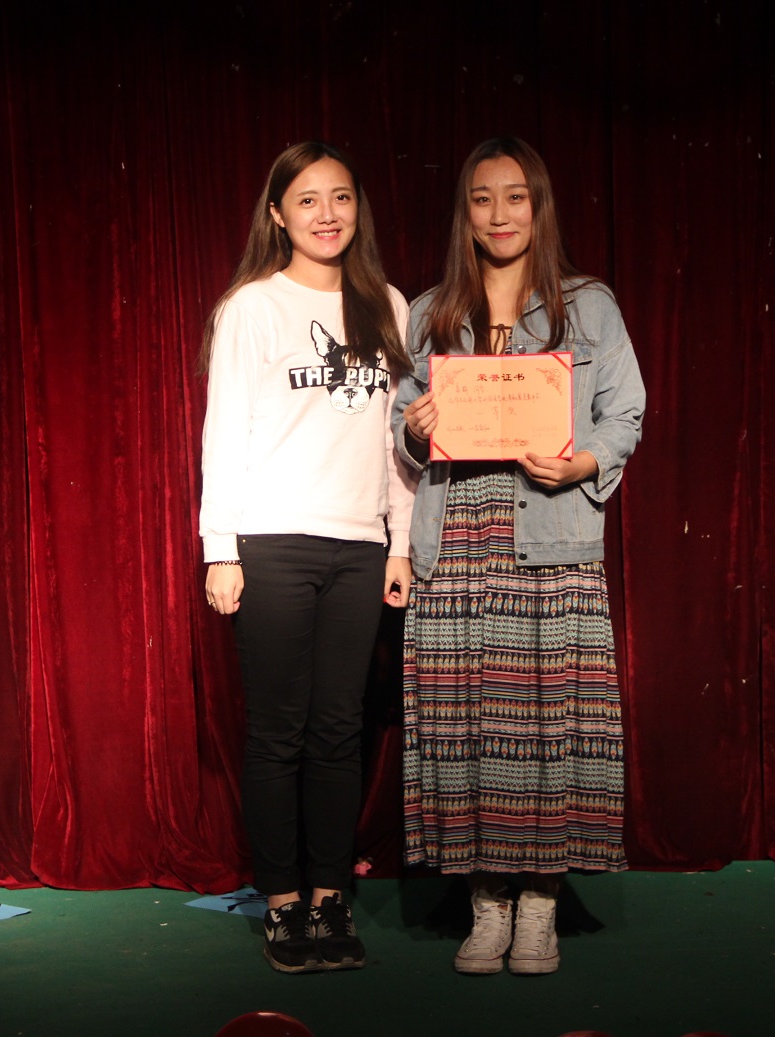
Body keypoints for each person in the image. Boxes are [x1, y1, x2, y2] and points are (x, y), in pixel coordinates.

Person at [392, 137, 645, 975]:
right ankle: (486, 904)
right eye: (482, 198)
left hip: (551, 535)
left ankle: (539, 905)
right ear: (464, 213)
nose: (499, 214)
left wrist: (584, 462)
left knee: (547, 726)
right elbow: (401, 427)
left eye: (515, 197)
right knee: (469, 723)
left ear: (539, 206)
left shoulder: (589, 305)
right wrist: (415, 429)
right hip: (456, 535)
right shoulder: (430, 311)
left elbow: (625, 413)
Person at [198, 141, 414, 974]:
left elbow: (394, 440)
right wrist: (222, 550)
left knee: (338, 731)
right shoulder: (252, 307)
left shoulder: (386, 304)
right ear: (278, 214)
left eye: (342, 197)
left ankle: (331, 898)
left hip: (360, 546)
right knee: (278, 732)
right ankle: (283, 902)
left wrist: (399, 541)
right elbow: (226, 432)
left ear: (359, 208)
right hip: (274, 542)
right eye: (309, 199)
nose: (328, 214)